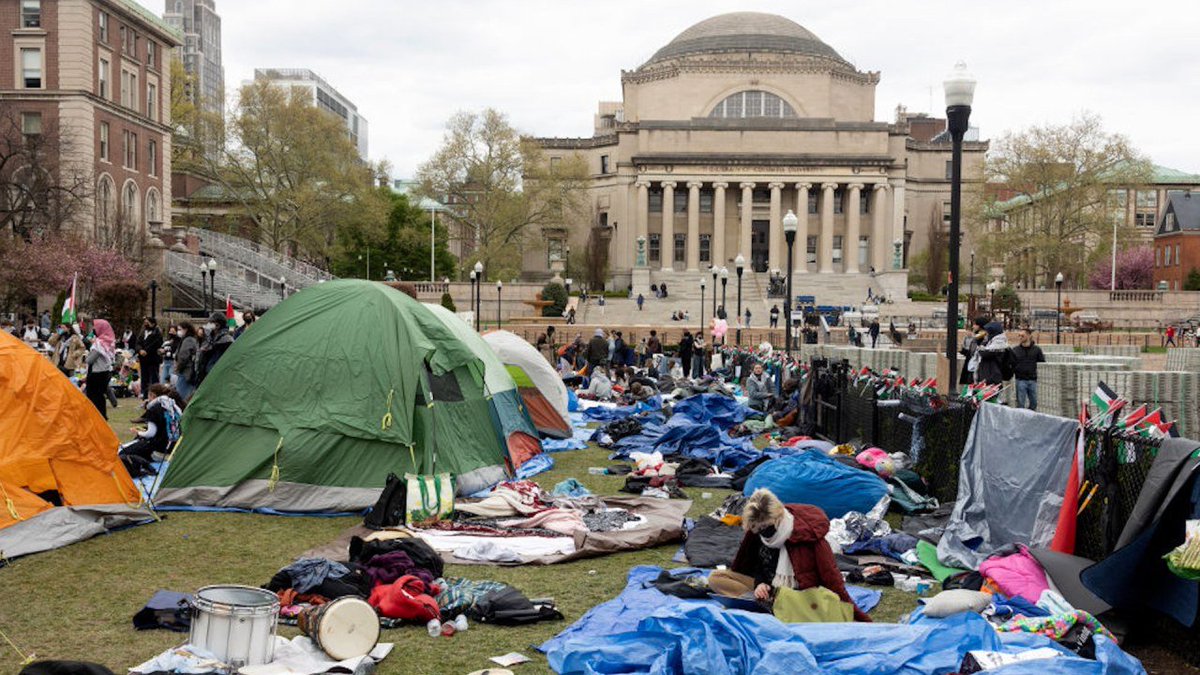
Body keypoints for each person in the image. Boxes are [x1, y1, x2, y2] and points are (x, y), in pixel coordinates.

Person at [708, 489, 870, 622]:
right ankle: (762, 605)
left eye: (766, 526)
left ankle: (768, 608)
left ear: (777, 518)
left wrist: (859, 617)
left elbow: (831, 578)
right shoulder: (759, 535)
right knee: (716, 577)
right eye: (759, 528)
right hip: (770, 592)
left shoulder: (806, 537)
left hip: (798, 597)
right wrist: (760, 584)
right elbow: (758, 566)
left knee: (790, 599)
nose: (764, 531)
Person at [119, 383, 185, 477]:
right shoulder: (174, 406)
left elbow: (150, 433)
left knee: (122, 454)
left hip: (159, 449)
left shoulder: (154, 409)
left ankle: (144, 469)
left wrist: (139, 432)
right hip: (174, 448)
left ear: (152, 395)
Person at [84, 319, 117, 419]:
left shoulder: (99, 344)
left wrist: (86, 356)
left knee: (95, 396)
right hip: (105, 371)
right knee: (100, 396)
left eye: (95, 327)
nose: (93, 329)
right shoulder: (109, 341)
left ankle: (98, 417)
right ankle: (102, 416)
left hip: (97, 373)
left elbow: (90, 360)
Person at [1010, 327, 1046, 410]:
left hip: (1032, 380)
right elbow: (1011, 363)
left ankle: (1030, 418)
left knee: (1034, 403)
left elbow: (1042, 363)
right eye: (1019, 335)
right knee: (1020, 404)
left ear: (1029, 336)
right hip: (1020, 380)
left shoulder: (1036, 350)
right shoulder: (1015, 350)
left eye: (1022, 335)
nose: (1020, 337)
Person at [197, 311, 235, 382]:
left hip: (217, 377)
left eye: (210, 323)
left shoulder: (226, 340)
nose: (208, 325)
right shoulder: (210, 338)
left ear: (217, 325)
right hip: (206, 376)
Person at [134, 317, 163, 399]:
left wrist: (146, 351)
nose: (145, 324)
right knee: (144, 378)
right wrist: (140, 350)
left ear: (153, 324)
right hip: (143, 360)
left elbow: (156, 344)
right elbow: (138, 343)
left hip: (153, 359)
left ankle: (156, 395)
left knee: (154, 378)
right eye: (145, 323)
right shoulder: (142, 332)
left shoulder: (157, 333)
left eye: (148, 323)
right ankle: (145, 395)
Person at [973, 321, 1010, 386]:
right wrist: (981, 340)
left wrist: (982, 345)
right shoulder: (990, 342)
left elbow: (984, 353)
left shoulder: (999, 343)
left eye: (987, 332)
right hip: (986, 376)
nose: (986, 333)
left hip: (993, 377)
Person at [173, 321, 200, 400]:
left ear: (186, 329)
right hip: (187, 372)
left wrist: (178, 367)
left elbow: (183, 356)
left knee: (181, 395)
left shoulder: (188, 340)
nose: (178, 331)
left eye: (180, 329)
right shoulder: (190, 339)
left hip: (186, 372)